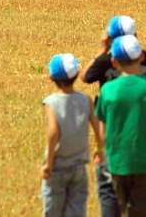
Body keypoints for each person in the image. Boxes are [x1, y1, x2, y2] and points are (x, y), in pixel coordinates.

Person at [95, 35, 146, 217]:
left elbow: (102, 133)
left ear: (114, 62)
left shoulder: (107, 90)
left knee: (125, 210)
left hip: (118, 163)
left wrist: (102, 150)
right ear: (142, 57)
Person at [81, 16, 146, 217]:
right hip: (140, 130)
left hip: (112, 126)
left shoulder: (106, 60)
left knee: (110, 195)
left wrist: (101, 50)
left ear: (110, 39)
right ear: (135, 37)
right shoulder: (145, 58)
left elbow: (85, 76)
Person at [41, 53, 104, 217]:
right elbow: (98, 128)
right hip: (79, 167)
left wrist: (48, 163)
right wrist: (100, 149)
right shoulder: (85, 100)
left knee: (52, 211)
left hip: (57, 167)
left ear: (51, 78)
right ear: (76, 75)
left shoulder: (51, 102)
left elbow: (53, 132)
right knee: (77, 211)